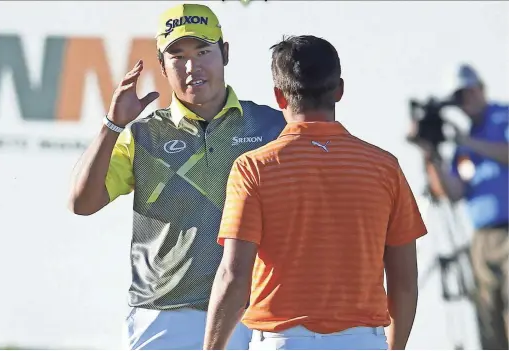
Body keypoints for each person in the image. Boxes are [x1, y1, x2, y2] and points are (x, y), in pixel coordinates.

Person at [67, 3, 285, 350]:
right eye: (177, 56)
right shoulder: (141, 135)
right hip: (164, 313)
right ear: (162, 67)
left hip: (250, 312)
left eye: (202, 51)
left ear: (225, 53)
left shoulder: (272, 125)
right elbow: (81, 202)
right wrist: (112, 125)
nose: (191, 66)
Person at [203, 35, 428, 350]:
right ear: (339, 90)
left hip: (282, 342)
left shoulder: (253, 168)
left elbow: (233, 276)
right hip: (363, 342)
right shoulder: (384, 167)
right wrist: (395, 347)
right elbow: (404, 283)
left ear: (279, 97)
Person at [410, 64, 508, 350]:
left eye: (468, 93)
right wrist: (430, 155)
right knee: (488, 318)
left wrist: (467, 141)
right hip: (481, 238)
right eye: (458, 97)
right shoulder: (464, 143)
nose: (465, 102)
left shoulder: (502, 117)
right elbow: (452, 192)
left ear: (480, 88)